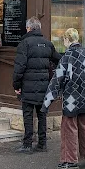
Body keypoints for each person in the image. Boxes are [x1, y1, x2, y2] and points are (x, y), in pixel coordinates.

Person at [42, 28, 85, 169]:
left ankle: (70, 161)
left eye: (64, 40)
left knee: (69, 128)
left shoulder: (67, 56)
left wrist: (46, 102)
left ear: (67, 40)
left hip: (71, 98)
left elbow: (57, 80)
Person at [13, 17, 60, 154]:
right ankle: (42, 143)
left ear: (28, 28)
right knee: (42, 115)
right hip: (44, 86)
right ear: (38, 28)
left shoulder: (24, 43)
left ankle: (27, 144)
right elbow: (59, 60)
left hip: (27, 85)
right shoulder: (48, 44)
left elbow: (19, 67)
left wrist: (16, 85)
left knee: (28, 115)